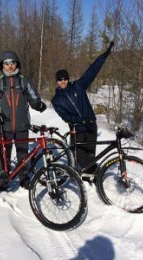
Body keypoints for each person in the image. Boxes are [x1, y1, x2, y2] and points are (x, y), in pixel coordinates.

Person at [51, 41, 114, 174]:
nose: (63, 81)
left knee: (91, 154)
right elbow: (65, 116)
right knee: (80, 157)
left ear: (68, 79)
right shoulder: (56, 100)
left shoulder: (78, 86)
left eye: (65, 78)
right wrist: (80, 120)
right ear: (57, 81)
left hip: (91, 125)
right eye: (60, 79)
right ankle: (93, 173)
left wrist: (103, 56)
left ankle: (92, 175)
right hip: (77, 129)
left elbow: (91, 72)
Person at [0, 51, 47, 189]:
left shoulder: (24, 81)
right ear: (2, 65)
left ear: (17, 64)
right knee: (5, 153)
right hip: (5, 125)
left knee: (23, 153)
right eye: (6, 63)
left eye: (12, 63)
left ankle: (24, 178)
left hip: (22, 125)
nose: (10, 66)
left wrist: (38, 104)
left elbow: (33, 97)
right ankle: (4, 177)